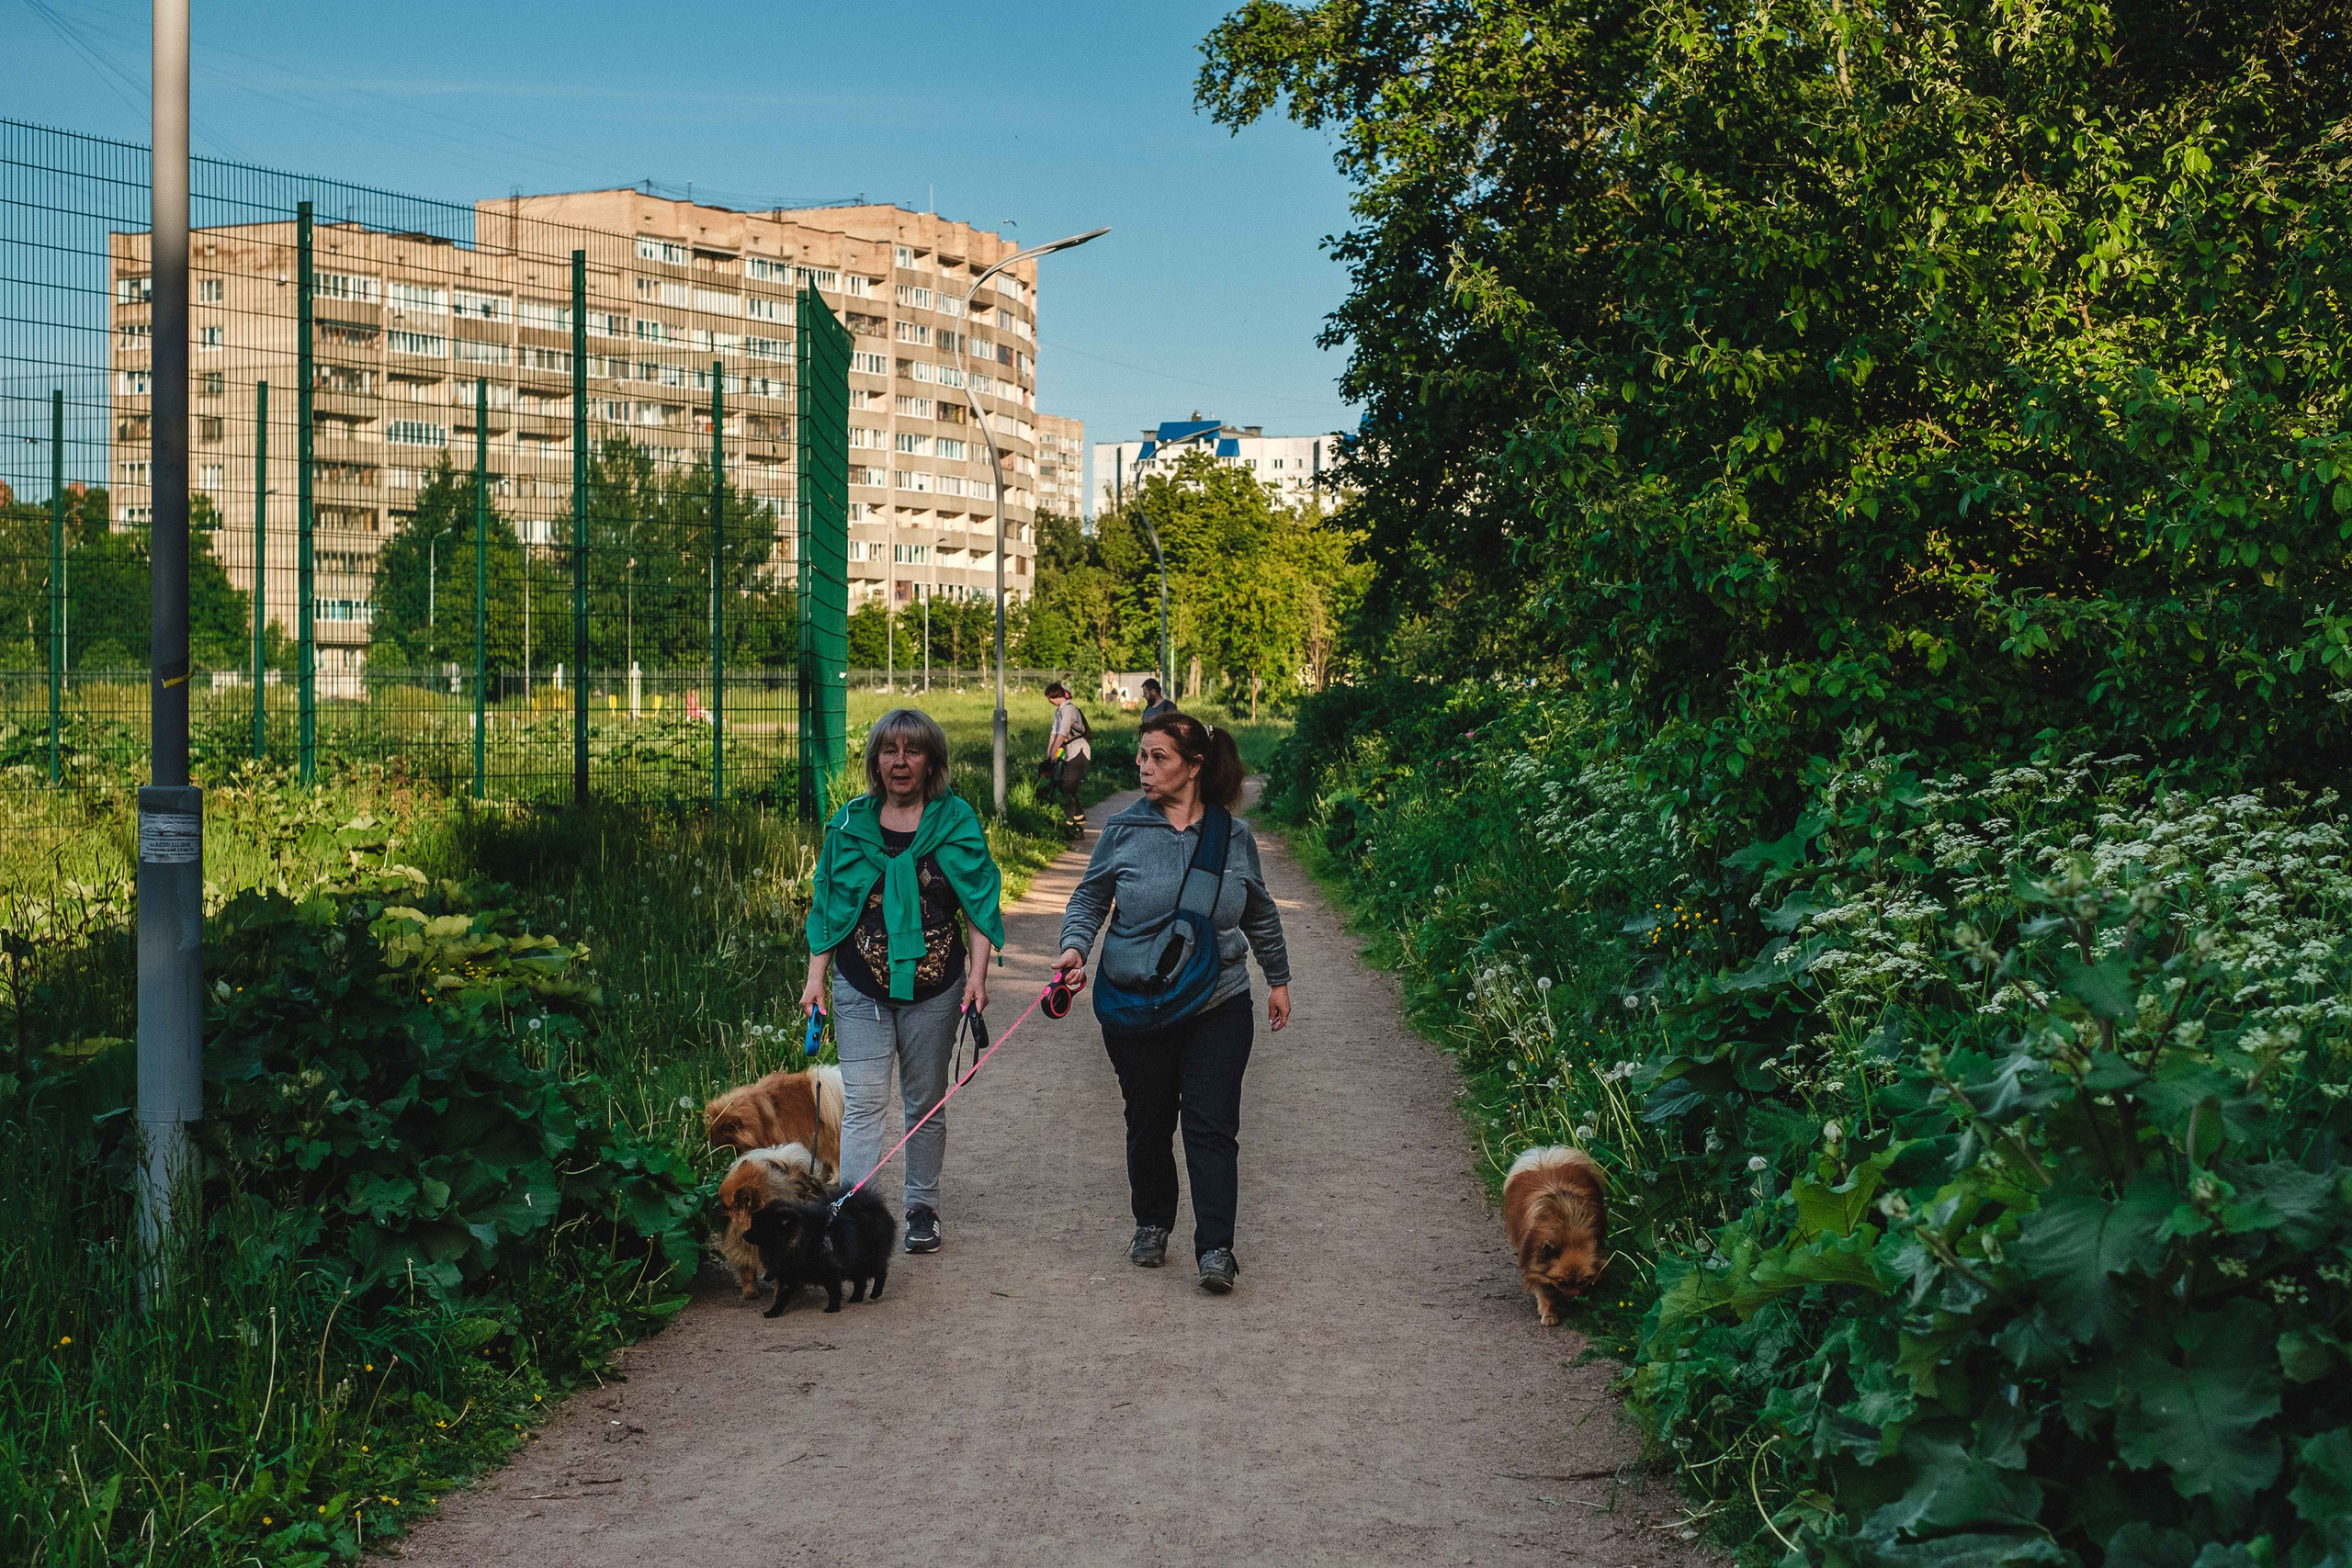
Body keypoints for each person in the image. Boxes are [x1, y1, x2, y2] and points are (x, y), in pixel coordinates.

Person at [1056, 710, 1291, 1294]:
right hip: (1140, 1003)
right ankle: (1152, 1222)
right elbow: (1089, 900)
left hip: (1220, 998)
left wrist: (1278, 977)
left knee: (1212, 1126)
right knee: (1150, 1121)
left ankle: (1216, 1248)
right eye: (1142, 756)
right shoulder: (1124, 831)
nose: (1144, 767)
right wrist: (1073, 949)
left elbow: (1259, 909)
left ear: (1193, 767)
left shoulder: (1232, 837)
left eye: (1158, 757)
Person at [802, 707, 1005, 1254]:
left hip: (935, 991)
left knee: (925, 1104)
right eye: (889, 751)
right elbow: (829, 906)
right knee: (865, 1102)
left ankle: (922, 1208)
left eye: (912, 751)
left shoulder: (956, 822)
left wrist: (978, 979)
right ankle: (854, 1211)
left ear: (931, 761)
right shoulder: (849, 825)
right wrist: (815, 979)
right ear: (875, 762)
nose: (900, 762)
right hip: (858, 986)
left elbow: (978, 903)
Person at [1042, 681, 1091, 829]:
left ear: (1055, 696)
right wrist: (1050, 752)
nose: (1049, 701)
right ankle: (1078, 816)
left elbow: (1063, 733)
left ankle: (1071, 819)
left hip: (1079, 750)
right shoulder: (1058, 711)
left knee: (1068, 784)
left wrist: (1054, 751)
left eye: (1050, 698)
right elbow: (1054, 733)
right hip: (1070, 751)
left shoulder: (1069, 709)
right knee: (1065, 783)